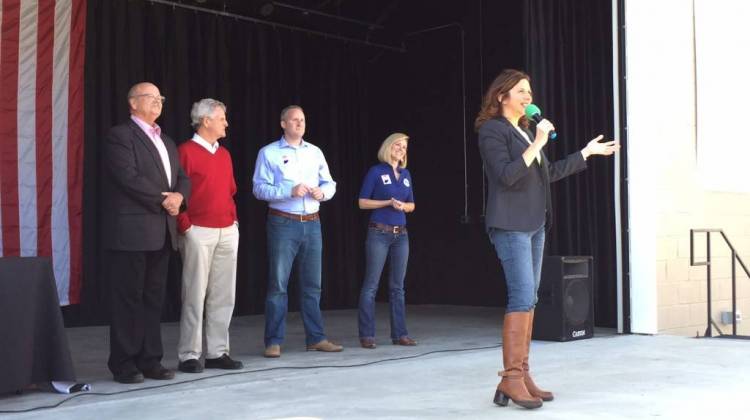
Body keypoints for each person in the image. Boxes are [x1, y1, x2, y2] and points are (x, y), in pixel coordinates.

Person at [476, 69, 619, 409]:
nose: (529, 97)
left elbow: (547, 173)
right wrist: (539, 141)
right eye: (521, 92)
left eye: (530, 91)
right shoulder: (492, 131)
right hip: (510, 225)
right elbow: (508, 176)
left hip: (536, 224)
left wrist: (585, 154)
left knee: (531, 299)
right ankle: (511, 378)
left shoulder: (524, 132)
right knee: (522, 296)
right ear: (502, 96)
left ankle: (521, 375)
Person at [102, 82, 191, 384]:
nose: (157, 103)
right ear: (133, 103)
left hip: (161, 231)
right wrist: (163, 198)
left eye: (160, 98)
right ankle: (124, 364)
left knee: (154, 299)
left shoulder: (165, 139)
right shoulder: (120, 135)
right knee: (129, 298)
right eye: (150, 98)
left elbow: (181, 177)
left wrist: (180, 196)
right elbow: (128, 177)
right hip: (131, 231)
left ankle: (150, 360)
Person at [252, 105, 343, 358]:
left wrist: (322, 193)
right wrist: (288, 191)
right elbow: (259, 189)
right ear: (283, 124)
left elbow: (330, 182)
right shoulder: (269, 152)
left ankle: (316, 338)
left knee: (313, 285)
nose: (299, 123)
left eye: (302, 119)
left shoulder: (314, 152)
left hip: (312, 222)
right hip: (284, 222)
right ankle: (273, 341)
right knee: (279, 284)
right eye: (294, 120)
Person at [175, 99, 243, 373]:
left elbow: (230, 192)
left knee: (224, 294)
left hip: (227, 229)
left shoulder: (224, 154)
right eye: (222, 118)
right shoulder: (185, 152)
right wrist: (185, 226)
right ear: (205, 121)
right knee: (194, 293)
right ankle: (189, 354)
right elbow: (174, 191)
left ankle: (217, 352)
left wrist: (234, 221)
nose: (226, 122)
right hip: (197, 231)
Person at [357, 133, 417, 349]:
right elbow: (362, 203)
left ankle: (400, 334)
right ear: (388, 146)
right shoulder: (376, 171)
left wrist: (403, 206)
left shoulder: (406, 173)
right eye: (397, 145)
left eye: (404, 147)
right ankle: (367, 335)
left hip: (401, 234)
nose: (401, 149)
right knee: (371, 285)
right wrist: (386, 203)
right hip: (379, 233)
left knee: (398, 287)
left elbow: (412, 205)